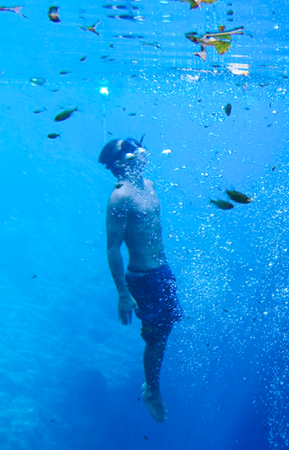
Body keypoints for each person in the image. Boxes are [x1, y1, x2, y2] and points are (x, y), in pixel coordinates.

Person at [99, 138, 183, 421]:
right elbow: (112, 248)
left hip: (161, 272)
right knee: (155, 339)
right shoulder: (120, 197)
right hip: (144, 278)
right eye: (134, 150)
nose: (143, 153)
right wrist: (123, 294)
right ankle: (152, 390)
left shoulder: (148, 185)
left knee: (164, 331)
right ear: (121, 163)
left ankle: (152, 385)